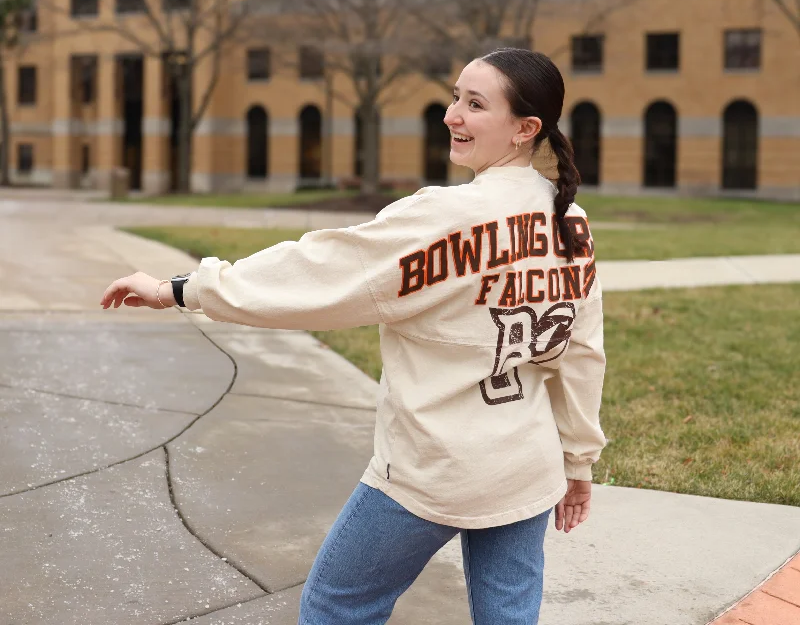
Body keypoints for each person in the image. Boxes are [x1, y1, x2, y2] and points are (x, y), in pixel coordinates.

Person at [101, 47, 607, 625]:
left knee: (337, 607)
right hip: (526, 466)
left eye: (474, 104)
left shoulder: (443, 216)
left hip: (432, 468)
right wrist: (577, 462)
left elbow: (321, 269)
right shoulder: (572, 222)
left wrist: (184, 288)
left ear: (525, 129)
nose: (450, 114)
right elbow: (583, 354)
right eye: (455, 97)